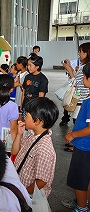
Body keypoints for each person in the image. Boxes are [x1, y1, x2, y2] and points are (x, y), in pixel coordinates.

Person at [12, 97, 59, 197]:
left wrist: (23, 193)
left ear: (37, 121)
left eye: (26, 115)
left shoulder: (44, 149)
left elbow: (41, 182)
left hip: (30, 194)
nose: (24, 117)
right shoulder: (31, 133)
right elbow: (15, 152)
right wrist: (19, 134)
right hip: (21, 185)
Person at [64, 62, 90, 212]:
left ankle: (81, 208)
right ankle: (84, 203)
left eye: (84, 77)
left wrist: (73, 134)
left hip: (84, 145)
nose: (82, 80)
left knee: (79, 180)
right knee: (86, 178)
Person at [59, 42, 90, 128]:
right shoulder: (85, 66)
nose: (79, 54)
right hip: (82, 100)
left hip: (82, 100)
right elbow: (77, 78)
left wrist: (69, 70)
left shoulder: (86, 68)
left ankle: (75, 138)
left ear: (86, 53)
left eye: (80, 51)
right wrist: (69, 67)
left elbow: (76, 82)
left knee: (80, 123)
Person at [0, 74, 18, 156]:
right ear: (12, 89)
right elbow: (13, 129)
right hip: (5, 143)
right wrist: (14, 146)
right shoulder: (13, 107)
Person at [15, 56, 29, 121]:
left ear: (21, 65)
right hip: (17, 97)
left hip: (21, 98)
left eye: (17, 64)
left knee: (20, 116)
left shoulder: (27, 75)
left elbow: (25, 89)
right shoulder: (19, 73)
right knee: (17, 114)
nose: (16, 65)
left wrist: (19, 84)